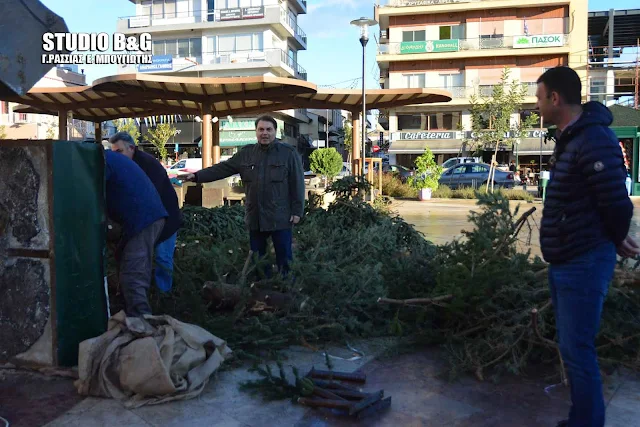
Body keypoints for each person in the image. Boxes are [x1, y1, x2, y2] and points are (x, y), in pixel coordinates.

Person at [536, 66, 640, 427]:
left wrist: (614, 237)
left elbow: (617, 202)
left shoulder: (593, 139)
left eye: (539, 97)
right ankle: (579, 418)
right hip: (567, 260)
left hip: (583, 260)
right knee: (571, 347)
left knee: (578, 350)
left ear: (555, 98)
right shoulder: (572, 138)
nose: (537, 105)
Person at [179, 115, 305, 276]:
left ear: (275, 132)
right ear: (256, 132)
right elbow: (222, 169)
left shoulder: (288, 153)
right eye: (261, 129)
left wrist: (297, 211)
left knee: (285, 259)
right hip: (256, 218)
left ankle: (287, 292)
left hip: (280, 217)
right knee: (258, 261)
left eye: (268, 129)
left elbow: (297, 183)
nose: (264, 133)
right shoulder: (246, 154)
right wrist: (196, 176)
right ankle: (260, 292)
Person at [109, 131, 183, 293]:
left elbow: (148, 196)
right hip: (148, 219)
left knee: (163, 258)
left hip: (166, 217)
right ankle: (150, 292)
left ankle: (164, 295)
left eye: (119, 151)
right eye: (113, 152)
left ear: (132, 148)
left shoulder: (148, 164)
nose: (116, 156)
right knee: (145, 257)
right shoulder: (126, 165)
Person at [104, 149, 168, 316]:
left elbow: (90, 196)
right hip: (145, 216)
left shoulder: (102, 163)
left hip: (143, 219)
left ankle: (142, 326)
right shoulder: (110, 159)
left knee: (133, 275)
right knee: (129, 269)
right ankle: (131, 317)